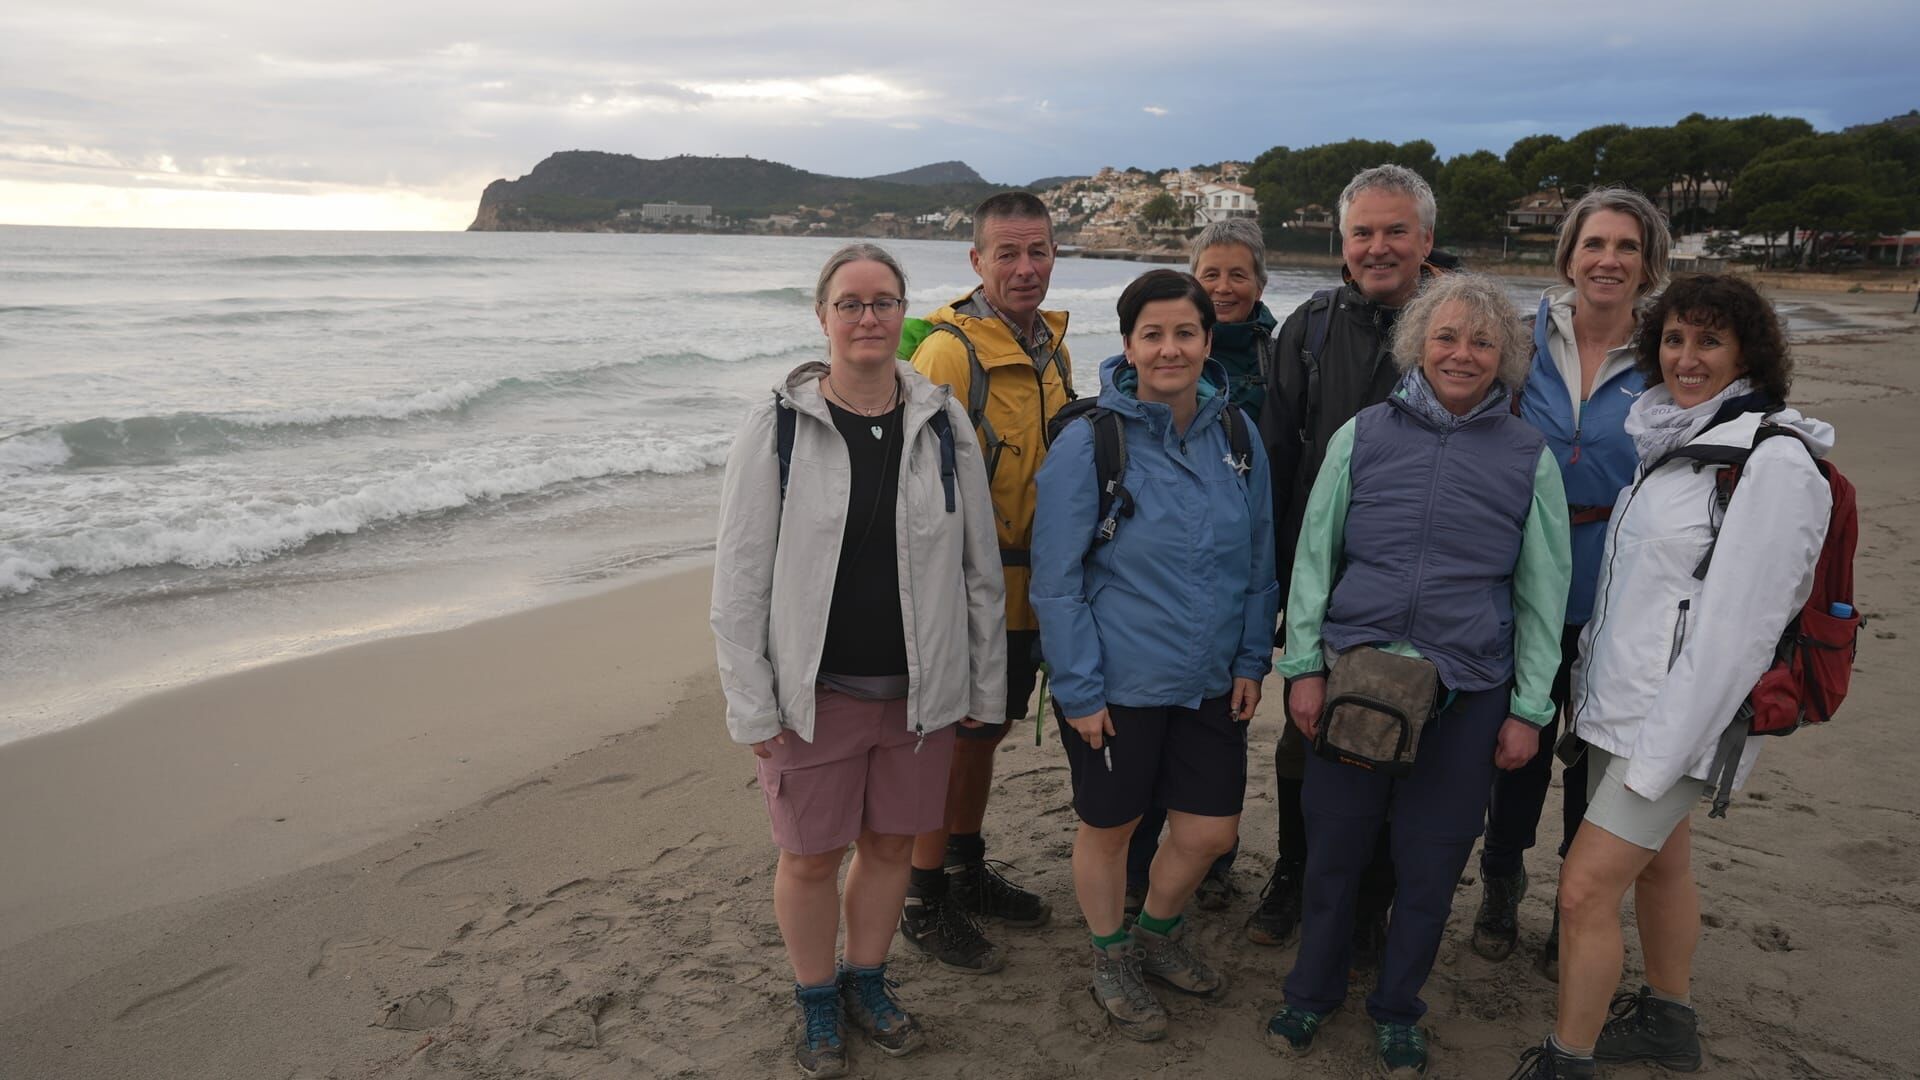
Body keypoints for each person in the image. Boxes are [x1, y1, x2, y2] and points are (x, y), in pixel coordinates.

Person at [1512, 275, 1832, 1079]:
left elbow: (1737, 637)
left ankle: (1567, 1060)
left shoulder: (1772, 461)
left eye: (1710, 341)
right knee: (1662, 866)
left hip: (1677, 725)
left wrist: (1662, 757)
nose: (1687, 358)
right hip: (1620, 709)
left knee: (1583, 892)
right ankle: (1667, 1018)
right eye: (1675, 339)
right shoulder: (1674, 440)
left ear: (1748, 355)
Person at [710, 243, 1007, 1079]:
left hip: (921, 697)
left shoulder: (943, 423)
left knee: (889, 848)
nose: (868, 317)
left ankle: (867, 980)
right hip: (817, 696)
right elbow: (738, 580)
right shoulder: (777, 428)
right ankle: (816, 996)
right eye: (851, 303)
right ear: (823, 317)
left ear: (902, 314)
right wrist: (751, 703)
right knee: (810, 857)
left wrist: (983, 686)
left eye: (883, 302)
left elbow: (979, 570)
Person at [1265, 272, 1571, 1078]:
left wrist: (1529, 709)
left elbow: (1543, 593)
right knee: (1335, 852)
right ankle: (1310, 991)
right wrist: (1304, 668)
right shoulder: (1363, 434)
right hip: (1356, 680)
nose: (1462, 354)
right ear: (1418, 345)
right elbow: (1315, 558)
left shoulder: (1529, 455)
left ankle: (1399, 1008)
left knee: (1431, 866)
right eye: (1446, 336)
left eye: (1482, 341)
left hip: (1469, 691)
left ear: (1505, 356)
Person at [1030, 269, 1278, 1040]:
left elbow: (1259, 559)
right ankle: (1111, 956)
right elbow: (1056, 583)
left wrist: (1251, 660)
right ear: (1129, 345)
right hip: (1117, 682)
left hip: (1211, 679)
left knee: (1209, 832)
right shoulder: (1090, 443)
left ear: (1207, 342)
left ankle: (1156, 935)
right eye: (1153, 334)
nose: (1170, 349)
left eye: (1185, 333)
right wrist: (1078, 690)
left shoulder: (1238, 437)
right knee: (1112, 827)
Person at [1246, 163, 1456, 954]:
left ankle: (1373, 900)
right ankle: (1294, 873)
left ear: (1426, 238)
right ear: (1343, 241)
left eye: (1395, 230)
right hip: (1321, 578)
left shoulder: (1457, 331)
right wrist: (1273, 582)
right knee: (1306, 734)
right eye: (1362, 232)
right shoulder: (1311, 327)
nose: (1378, 247)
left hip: (1421, 585)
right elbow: (1275, 455)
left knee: (1403, 736)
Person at [1475, 187, 1673, 975]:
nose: (1609, 260)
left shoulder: (1667, 354)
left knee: (1596, 758)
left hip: (1621, 591)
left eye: (1627, 247)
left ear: (1648, 265)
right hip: (1524, 579)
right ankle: (1500, 882)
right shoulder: (1521, 341)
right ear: (1568, 255)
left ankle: (1577, 905)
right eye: (1595, 243)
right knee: (1514, 748)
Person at [901, 191, 1072, 972]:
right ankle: (922, 898)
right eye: (1008, 253)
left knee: (987, 732)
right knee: (953, 739)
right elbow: (917, 494)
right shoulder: (949, 354)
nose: (1025, 267)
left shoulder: (1050, 349)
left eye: (1038, 251)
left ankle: (964, 866)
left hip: (1033, 592)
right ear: (976, 260)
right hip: (972, 595)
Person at [1123, 218, 1277, 914]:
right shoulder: (1155, 360)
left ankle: (1204, 866)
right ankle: (1138, 876)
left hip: (1240, 536)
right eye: (1210, 273)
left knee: (1212, 753)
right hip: (1160, 575)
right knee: (1143, 764)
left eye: (1238, 273)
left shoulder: (1282, 354)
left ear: (1260, 282)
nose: (1224, 285)